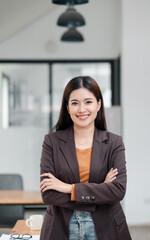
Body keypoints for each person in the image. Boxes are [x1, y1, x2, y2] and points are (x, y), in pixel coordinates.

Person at [40, 76, 132, 240]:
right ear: (67, 107)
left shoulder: (114, 142)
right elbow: (49, 195)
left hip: (107, 227)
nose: (82, 109)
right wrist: (101, 190)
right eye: (75, 103)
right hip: (61, 227)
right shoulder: (51, 142)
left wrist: (69, 188)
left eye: (88, 102)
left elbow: (118, 190)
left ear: (98, 104)